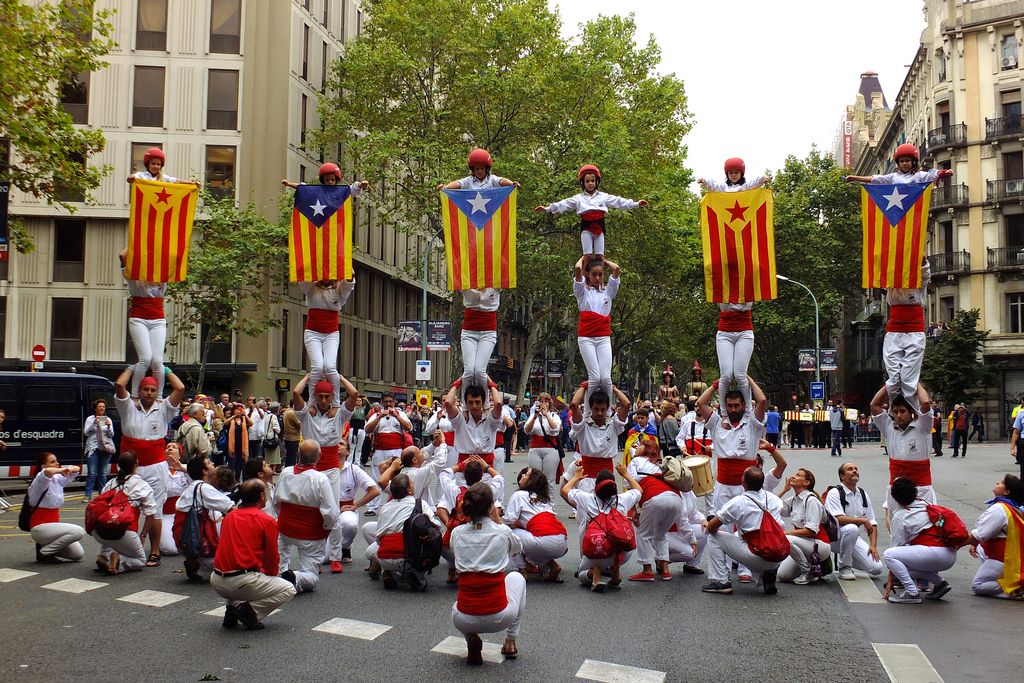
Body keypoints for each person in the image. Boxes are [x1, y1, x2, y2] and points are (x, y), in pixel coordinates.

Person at [114, 366, 184, 567]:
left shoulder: (163, 409)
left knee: (156, 509)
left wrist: (164, 369)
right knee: (125, 507)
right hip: (130, 467)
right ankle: (122, 549)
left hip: (155, 466)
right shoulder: (127, 406)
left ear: (157, 392)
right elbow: (119, 384)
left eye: (153, 390)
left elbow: (179, 388)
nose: (149, 393)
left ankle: (154, 551)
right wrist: (133, 367)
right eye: (146, 389)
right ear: (139, 391)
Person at [450, 482, 526, 664]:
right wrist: (498, 520)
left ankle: (471, 639)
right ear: (491, 507)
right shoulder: (502, 532)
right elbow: (518, 548)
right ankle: (510, 641)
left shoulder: (457, 533)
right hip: (500, 617)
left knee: (457, 606)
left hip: (464, 618)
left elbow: (455, 552)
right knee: (516, 577)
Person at [292, 372, 358, 572]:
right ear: (314, 396)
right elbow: (296, 392)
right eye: (319, 396)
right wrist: (309, 375)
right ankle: (316, 558)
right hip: (310, 468)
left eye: (326, 397)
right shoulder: (305, 414)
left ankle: (336, 556)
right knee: (312, 513)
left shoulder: (339, 415)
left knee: (333, 513)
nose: (322, 400)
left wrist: (337, 376)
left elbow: (353, 393)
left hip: (330, 468)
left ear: (332, 397)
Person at [212, 479, 297, 631]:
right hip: (241, 581)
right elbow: (272, 557)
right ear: (261, 496)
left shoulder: (230, 517)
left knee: (246, 574)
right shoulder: (266, 520)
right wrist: (270, 576)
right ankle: (249, 612)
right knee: (288, 589)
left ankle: (232, 609)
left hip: (217, 579)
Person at [535, 164, 647, 267]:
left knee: (600, 257)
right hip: (586, 227)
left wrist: (636, 204)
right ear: (583, 183)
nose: (590, 183)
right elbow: (563, 204)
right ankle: (584, 280)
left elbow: (619, 202)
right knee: (587, 256)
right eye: (587, 181)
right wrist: (547, 209)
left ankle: (600, 282)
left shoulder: (603, 196)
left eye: (592, 181)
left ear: (596, 181)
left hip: (599, 226)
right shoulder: (578, 198)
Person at [702, 467, 787, 595]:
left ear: (743, 483)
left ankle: (721, 581)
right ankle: (767, 574)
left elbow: (712, 527)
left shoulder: (739, 502)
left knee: (713, 536)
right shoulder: (774, 498)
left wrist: (706, 524)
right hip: (778, 555)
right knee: (744, 536)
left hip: (759, 554)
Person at [561, 461, 643, 592]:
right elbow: (639, 490)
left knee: (582, 574)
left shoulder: (587, 499)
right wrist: (626, 474)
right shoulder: (622, 499)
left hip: (597, 550)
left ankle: (594, 572)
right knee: (616, 553)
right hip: (623, 552)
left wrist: (576, 477)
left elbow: (565, 490)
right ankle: (615, 569)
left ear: (596, 486)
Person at [274, 440, 340, 594]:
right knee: (311, 576)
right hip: (310, 533)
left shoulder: (285, 472)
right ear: (319, 456)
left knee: (281, 561)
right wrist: (326, 530)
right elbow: (331, 512)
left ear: (298, 454)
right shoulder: (320, 479)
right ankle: (294, 577)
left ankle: (281, 575)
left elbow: (276, 501)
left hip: (285, 528)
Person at [696, 376, 768, 518]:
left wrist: (748, 379)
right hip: (723, 487)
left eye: (736, 405)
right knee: (723, 529)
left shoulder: (752, 423)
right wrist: (716, 384)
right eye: (729, 406)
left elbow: (762, 401)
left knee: (747, 527)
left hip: (747, 487)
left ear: (744, 405)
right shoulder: (716, 422)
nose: (733, 409)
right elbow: (701, 403)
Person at [882, 477, 958, 604]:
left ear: (894, 497)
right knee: (904, 568)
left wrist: (890, 580)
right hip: (950, 555)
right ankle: (940, 583)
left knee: (889, 555)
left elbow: (894, 549)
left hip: (933, 553)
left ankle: (912, 592)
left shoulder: (900, 516)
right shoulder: (925, 504)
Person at [363, 474, 441, 591]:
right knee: (430, 539)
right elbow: (435, 526)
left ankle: (386, 570)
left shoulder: (385, 507)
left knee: (369, 533)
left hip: (385, 557)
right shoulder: (420, 504)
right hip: (408, 557)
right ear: (409, 490)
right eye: (412, 483)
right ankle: (414, 576)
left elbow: (379, 537)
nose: (414, 484)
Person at [437, 456, 505, 582]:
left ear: (463, 475)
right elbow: (499, 478)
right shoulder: (488, 492)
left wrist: (460, 465)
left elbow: (444, 474)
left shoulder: (455, 491)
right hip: (482, 548)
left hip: (456, 547)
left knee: (449, 537)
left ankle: (453, 568)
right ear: (481, 476)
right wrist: (486, 466)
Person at [870, 383, 937, 510]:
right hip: (897, 486)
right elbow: (874, 406)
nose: (899, 415)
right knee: (897, 522)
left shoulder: (923, 426)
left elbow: (925, 404)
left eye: (902, 411)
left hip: (921, 487)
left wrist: (913, 381)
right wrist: (889, 385)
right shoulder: (888, 427)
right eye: (895, 412)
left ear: (911, 411)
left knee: (924, 524)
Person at [626, 435, 684, 582]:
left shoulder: (636, 461)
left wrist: (634, 510)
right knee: (661, 533)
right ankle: (665, 569)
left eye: (640, 445)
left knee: (643, 534)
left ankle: (647, 570)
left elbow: (632, 487)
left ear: (645, 450)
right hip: (676, 499)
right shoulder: (659, 464)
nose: (636, 446)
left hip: (656, 497)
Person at [94, 451, 159, 575]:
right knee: (140, 560)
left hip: (100, 531)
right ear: (137, 464)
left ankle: (103, 556)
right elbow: (151, 515)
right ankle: (119, 563)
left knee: (111, 530)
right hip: (124, 531)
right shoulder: (142, 485)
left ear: (119, 465)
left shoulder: (110, 483)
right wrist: (143, 535)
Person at [174, 454, 235, 580]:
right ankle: (197, 561)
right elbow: (230, 507)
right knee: (230, 568)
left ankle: (193, 562)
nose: (213, 463)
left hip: (183, 536)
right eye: (209, 463)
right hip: (192, 536)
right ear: (205, 471)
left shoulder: (195, 484)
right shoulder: (203, 488)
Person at [573, 255, 620, 415]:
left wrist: (603, 261)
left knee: (606, 379)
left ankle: (606, 413)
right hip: (586, 338)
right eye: (594, 274)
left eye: (601, 274)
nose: (598, 278)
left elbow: (617, 269)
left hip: (603, 338)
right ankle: (587, 413)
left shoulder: (608, 292)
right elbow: (578, 268)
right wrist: (584, 257)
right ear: (588, 274)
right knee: (594, 377)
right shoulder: (582, 292)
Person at [503, 468, 568, 582]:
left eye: (526, 475)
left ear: (531, 481)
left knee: (509, 533)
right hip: (562, 542)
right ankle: (552, 565)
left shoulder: (518, 495)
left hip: (544, 540)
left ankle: (522, 570)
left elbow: (509, 521)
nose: (522, 475)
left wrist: (495, 516)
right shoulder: (543, 499)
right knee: (535, 541)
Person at [299, 279, 355, 408]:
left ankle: (335, 403)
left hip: (331, 334)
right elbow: (303, 280)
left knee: (330, 367)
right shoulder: (311, 288)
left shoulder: (340, 290)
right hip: (313, 333)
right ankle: (312, 402)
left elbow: (349, 283)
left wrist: (348, 274)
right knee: (318, 367)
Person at [967, 474, 1024, 599]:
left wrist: (957, 543)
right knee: (979, 548)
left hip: (1005, 557)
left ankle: (1014, 590)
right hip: (1011, 554)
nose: (997, 482)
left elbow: (979, 534)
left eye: (1002, 483)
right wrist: (975, 543)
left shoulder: (1000, 508)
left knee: (978, 585)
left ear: (1006, 492)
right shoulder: (1012, 507)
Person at [567, 382, 631, 492]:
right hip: (586, 479)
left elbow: (626, 404)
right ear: (590, 408)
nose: (600, 413)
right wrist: (583, 386)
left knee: (608, 508)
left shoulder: (614, 425)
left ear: (607, 408)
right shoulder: (582, 425)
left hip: (607, 478)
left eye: (603, 409)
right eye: (596, 409)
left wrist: (612, 387)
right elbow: (574, 404)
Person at [824, 462, 884, 581]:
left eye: (856, 468)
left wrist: (873, 546)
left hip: (852, 537)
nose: (854, 471)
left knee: (876, 568)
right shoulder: (835, 492)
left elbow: (872, 522)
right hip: (833, 538)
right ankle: (844, 567)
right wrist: (861, 520)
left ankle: (847, 559)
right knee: (852, 528)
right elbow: (838, 518)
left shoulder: (862, 493)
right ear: (842, 476)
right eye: (850, 469)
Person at [27, 452, 85, 563]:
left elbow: (77, 469)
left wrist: (69, 469)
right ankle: (44, 553)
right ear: (43, 465)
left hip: (52, 530)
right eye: (53, 462)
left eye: (57, 461)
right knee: (79, 531)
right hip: (40, 528)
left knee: (77, 554)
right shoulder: (40, 479)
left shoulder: (57, 478)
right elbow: (48, 471)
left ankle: (48, 549)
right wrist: (62, 470)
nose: (57, 464)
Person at [777, 468, 830, 585]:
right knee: (783, 575)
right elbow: (773, 509)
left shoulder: (811, 500)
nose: (793, 476)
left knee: (784, 537)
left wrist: (785, 533)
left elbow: (812, 531)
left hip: (818, 545)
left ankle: (809, 572)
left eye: (798, 475)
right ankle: (813, 566)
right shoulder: (795, 499)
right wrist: (784, 490)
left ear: (806, 483)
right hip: (803, 544)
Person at [364, 392, 412, 515]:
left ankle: (395, 503)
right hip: (380, 450)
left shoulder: (400, 413)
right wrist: (379, 417)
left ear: (394, 402)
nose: (388, 404)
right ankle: (372, 507)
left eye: (390, 401)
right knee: (376, 478)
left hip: (396, 450)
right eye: (385, 401)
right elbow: (367, 429)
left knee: (396, 477)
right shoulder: (376, 414)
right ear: (382, 402)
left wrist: (396, 416)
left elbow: (408, 428)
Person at [442, 380, 504, 474]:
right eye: (470, 402)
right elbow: (448, 403)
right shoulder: (460, 420)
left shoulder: (491, 420)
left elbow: (498, 403)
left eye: (477, 402)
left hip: (486, 471)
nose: (474, 406)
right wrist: (458, 383)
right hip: (464, 472)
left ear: (483, 403)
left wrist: (491, 383)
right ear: (466, 404)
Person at [460, 288, 500, 402]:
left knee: (479, 370)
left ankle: (486, 403)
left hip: (488, 333)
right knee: (468, 371)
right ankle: (465, 405)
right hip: (469, 332)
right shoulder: (466, 282)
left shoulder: (496, 284)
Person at [844, 144, 952, 185]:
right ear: (898, 163)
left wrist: (944, 172)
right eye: (902, 161)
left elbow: (932, 174)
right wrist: (855, 178)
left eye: (907, 160)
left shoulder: (918, 176)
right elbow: (875, 179)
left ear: (913, 162)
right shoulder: (893, 177)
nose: (904, 163)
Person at [525, 393, 562, 500]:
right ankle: (536, 503)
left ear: (550, 403)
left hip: (550, 450)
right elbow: (527, 430)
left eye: (546, 401)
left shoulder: (555, 416)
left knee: (549, 479)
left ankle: (551, 506)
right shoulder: (534, 416)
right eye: (541, 401)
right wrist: (535, 417)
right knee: (535, 478)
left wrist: (547, 415)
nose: (543, 404)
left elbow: (555, 429)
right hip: (535, 449)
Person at [437, 148, 520, 192]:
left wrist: (511, 183)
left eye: (482, 168)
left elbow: (501, 181)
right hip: (472, 219)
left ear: (486, 169)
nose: (479, 171)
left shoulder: (492, 179)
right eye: (476, 169)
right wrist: (445, 187)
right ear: (473, 169)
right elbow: (458, 183)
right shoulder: (469, 181)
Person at [161, 443, 191, 557]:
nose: (170, 448)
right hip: (165, 514)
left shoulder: (187, 469)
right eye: (167, 447)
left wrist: (182, 468)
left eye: (174, 447)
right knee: (170, 549)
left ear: (180, 455)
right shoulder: (159, 469)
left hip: (183, 514)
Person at [83, 399, 116, 501]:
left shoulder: (108, 419)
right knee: (92, 473)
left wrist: (109, 425)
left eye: (103, 407)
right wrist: (94, 424)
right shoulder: (90, 419)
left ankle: (102, 495)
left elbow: (111, 435)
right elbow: (86, 433)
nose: (102, 408)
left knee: (102, 473)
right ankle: (88, 495)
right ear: (95, 408)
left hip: (105, 448)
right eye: (100, 406)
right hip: (93, 448)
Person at [282, 403, 301, 468]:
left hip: (288, 436)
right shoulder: (292, 413)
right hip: (293, 437)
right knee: (292, 458)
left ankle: (287, 469)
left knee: (289, 457)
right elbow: (299, 424)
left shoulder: (287, 411)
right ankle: (290, 471)